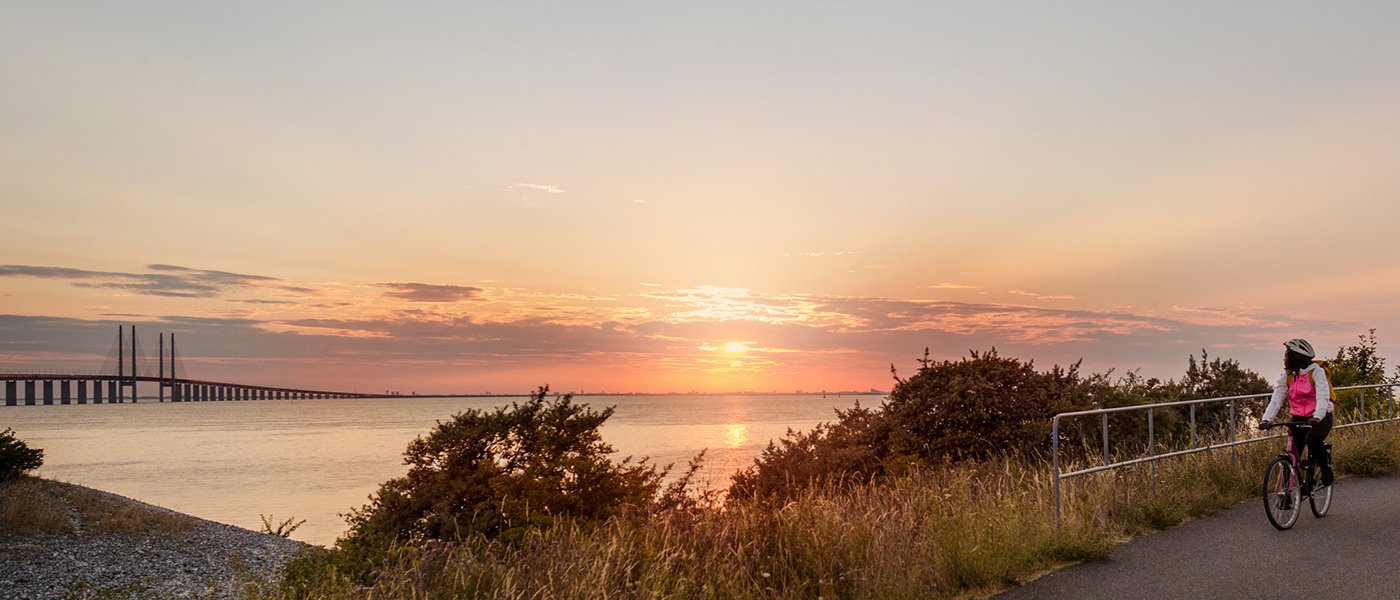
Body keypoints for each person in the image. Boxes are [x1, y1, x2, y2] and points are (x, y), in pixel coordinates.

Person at [1258, 338, 1334, 487]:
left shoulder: (1316, 373)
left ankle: (1325, 468)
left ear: (1296, 358)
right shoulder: (1288, 377)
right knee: (1292, 454)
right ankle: (1287, 495)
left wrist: (1318, 416)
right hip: (1299, 417)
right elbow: (1276, 400)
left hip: (1321, 416)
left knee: (1312, 441)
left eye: (1287, 355)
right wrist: (1266, 419)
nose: (1284, 358)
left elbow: (1323, 396)